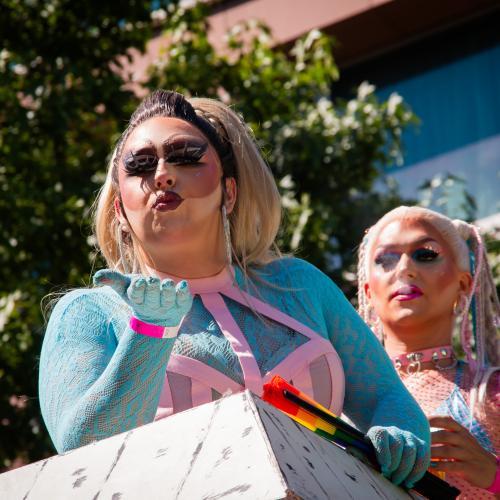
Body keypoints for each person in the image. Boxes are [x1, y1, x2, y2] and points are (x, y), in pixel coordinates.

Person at [40, 90, 430, 488]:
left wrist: (399, 439)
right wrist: (150, 329)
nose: (162, 175)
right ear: (120, 210)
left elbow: (388, 399)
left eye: (185, 156)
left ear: (229, 192)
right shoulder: (89, 311)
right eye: (140, 165)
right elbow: (82, 449)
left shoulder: (300, 285)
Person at [357, 205, 500, 497]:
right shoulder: (340, 393)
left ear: (463, 284)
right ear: (369, 291)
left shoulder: (490, 392)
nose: (404, 269)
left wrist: (493, 476)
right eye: (385, 259)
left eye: (425, 254)